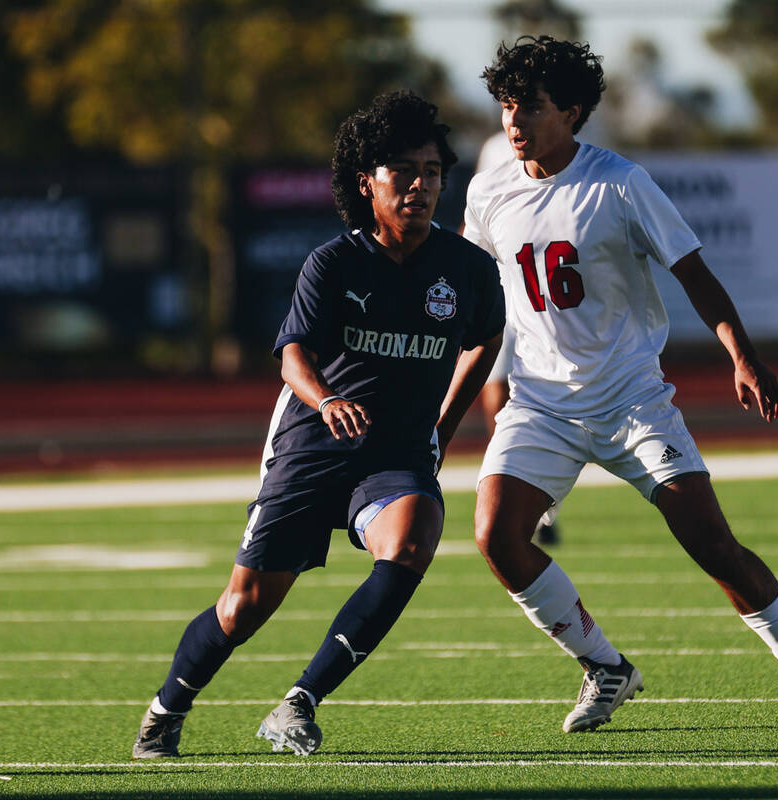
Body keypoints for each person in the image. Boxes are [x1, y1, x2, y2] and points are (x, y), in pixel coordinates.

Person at [462, 36, 778, 732]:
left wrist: (742, 355)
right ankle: (605, 668)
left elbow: (694, 275)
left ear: (574, 111)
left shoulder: (619, 182)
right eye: (505, 105)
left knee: (713, 546)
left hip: (630, 400)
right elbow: (471, 295)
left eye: (530, 106)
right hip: (541, 403)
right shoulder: (489, 188)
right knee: (497, 536)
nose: (513, 121)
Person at [132, 91, 505, 759]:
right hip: (313, 446)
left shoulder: (469, 269)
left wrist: (443, 426)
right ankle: (167, 707)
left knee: (415, 537)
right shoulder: (333, 263)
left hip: (394, 454)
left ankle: (299, 702)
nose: (420, 184)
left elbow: (487, 337)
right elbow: (292, 355)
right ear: (367, 183)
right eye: (402, 170)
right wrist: (327, 400)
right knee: (242, 608)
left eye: (432, 170)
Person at [473, 131, 560, 546]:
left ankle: (543, 502)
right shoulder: (493, 149)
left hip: (547, 289)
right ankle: (508, 478)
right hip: (502, 285)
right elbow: (479, 217)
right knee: (493, 387)